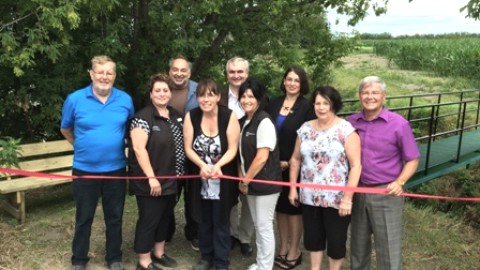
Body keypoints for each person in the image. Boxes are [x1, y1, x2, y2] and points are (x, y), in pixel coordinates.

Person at [60, 55, 134, 270]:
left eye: (109, 72)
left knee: (115, 217)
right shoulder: (75, 99)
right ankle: (79, 259)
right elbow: (66, 129)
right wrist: (82, 146)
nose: (104, 77)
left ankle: (114, 258)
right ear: (91, 74)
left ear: (114, 75)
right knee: (84, 217)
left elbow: (129, 129)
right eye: (100, 72)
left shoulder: (125, 100)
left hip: (116, 170)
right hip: (85, 170)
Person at [347, 76, 420, 270]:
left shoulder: (399, 124)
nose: (369, 97)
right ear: (359, 96)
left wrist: (400, 181)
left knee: (388, 249)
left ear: (384, 97)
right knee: (358, 247)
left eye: (374, 92)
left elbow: (412, 159)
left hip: (386, 193)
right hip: (358, 192)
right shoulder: (350, 122)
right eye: (365, 92)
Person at [288, 86, 361, 270]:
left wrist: (348, 198)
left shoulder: (346, 130)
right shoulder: (305, 129)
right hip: (309, 197)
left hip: (337, 199)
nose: (321, 107)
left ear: (333, 105)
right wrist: (292, 188)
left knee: (336, 242)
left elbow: (355, 166)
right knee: (313, 239)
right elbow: (295, 160)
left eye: (325, 103)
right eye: (317, 103)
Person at [128, 73, 183, 270]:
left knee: (165, 218)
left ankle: (159, 253)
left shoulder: (176, 115)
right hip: (150, 181)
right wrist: (152, 178)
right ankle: (144, 260)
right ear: (151, 94)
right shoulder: (142, 117)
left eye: (165, 90)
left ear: (170, 93)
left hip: (172, 180)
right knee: (149, 219)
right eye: (157, 90)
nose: (161, 94)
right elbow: (139, 149)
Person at [183, 79, 240, 270]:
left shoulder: (229, 116)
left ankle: (221, 260)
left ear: (218, 97)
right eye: (201, 95)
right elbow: (188, 148)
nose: (205, 99)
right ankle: (206, 257)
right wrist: (201, 165)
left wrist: (218, 165)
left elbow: (233, 149)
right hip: (201, 177)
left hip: (222, 176)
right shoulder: (191, 116)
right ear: (197, 97)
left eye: (210, 94)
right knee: (204, 218)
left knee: (221, 219)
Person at [265, 66, 315, 269]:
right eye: (289, 79)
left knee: (294, 209)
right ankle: (283, 248)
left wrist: (290, 161)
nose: (292, 83)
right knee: (280, 209)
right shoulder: (273, 103)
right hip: (274, 166)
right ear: (283, 81)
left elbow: (310, 138)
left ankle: (295, 250)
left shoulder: (307, 107)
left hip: (295, 167)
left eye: (296, 80)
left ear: (302, 84)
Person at [238, 77, 282, 270]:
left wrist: (245, 180)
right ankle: (261, 262)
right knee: (258, 225)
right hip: (250, 182)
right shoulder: (243, 121)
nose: (247, 100)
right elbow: (240, 155)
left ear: (259, 98)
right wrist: (242, 177)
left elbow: (262, 157)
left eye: (251, 96)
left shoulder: (264, 121)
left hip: (266, 183)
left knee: (264, 227)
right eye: (244, 96)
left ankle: (265, 266)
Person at [219, 56, 255, 257]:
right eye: (232, 72)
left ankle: (245, 237)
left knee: (248, 199)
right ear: (227, 75)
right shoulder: (220, 97)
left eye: (240, 72)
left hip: (249, 156)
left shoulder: (257, 96)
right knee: (229, 199)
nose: (236, 75)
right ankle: (231, 234)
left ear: (247, 74)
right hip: (225, 156)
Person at [167, 56, 200, 250]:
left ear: (189, 72)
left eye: (183, 70)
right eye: (175, 69)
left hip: (194, 151)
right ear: (170, 71)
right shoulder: (161, 89)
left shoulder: (199, 90)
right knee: (169, 192)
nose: (179, 73)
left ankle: (193, 232)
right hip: (168, 152)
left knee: (193, 195)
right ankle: (166, 231)